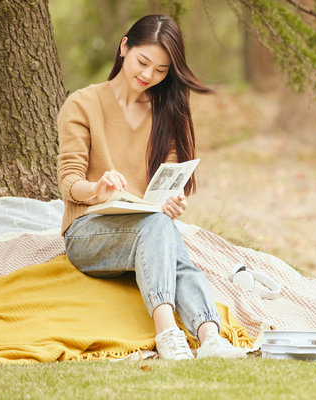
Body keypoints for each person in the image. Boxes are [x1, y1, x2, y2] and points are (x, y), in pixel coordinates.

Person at [57, 15, 246, 360]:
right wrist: (98, 189)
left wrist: (173, 201)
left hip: (147, 225)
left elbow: (170, 178)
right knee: (160, 228)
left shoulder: (164, 110)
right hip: (87, 232)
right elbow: (69, 181)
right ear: (124, 47)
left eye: (161, 71)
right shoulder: (83, 103)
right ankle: (168, 333)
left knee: (162, 225)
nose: (148, 76)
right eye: (143, 62)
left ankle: (210, 336)